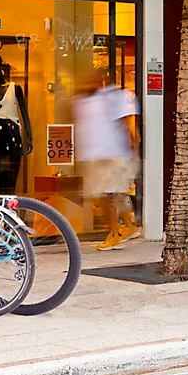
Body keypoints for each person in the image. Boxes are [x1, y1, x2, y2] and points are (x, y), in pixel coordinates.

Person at [73, 68, 140, 251]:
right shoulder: (83, 101)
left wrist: (131, 145)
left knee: (107, 195)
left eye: (92, 79)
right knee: (113, 194)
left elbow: (126, 122)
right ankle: (129, 225)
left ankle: (115, 232)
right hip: (96, 156)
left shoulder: (112, 97)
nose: (88, 83)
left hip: (110, 155)